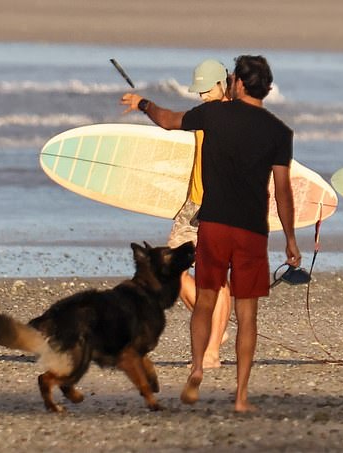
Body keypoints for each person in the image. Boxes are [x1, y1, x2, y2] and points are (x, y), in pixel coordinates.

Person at [121, 55, 301, 412]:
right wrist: (292, 240)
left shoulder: (213, 116)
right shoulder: (279, 132)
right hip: (251, 230)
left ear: (239, 84)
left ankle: (198, 368)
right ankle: (240, 397)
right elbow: (283, 191)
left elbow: (168, 121)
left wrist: (143, 103)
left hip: (214, 225)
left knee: (204, 301)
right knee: (247, 315)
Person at [168, 59, 232, 369]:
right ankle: (214, 330)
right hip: (193, 203)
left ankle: (212, 353)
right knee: (170, 270)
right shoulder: (206, 112)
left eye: (207, 90)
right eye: (199, 91)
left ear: (223, 85)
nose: (202, 96)